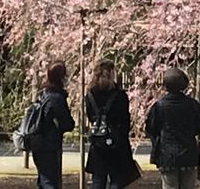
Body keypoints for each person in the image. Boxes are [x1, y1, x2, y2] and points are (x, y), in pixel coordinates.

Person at [145, 67, 200, 189]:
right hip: (188, 152)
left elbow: (151, 128)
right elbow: (199, 125)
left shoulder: (159, 106)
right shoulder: (192, 105)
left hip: (167, 154)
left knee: (169, 185)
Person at [85, 60, 135, 189]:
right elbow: (125, 120)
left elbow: (91, 116)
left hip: (98, 142)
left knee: (98, 179)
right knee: (117, 179)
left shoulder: (90, 95)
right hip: (117, 142)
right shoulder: (119, 95)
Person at [32, 60, 76, 189]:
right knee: (49, 182)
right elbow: (67, 123)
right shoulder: (56, 98)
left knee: (43, 180)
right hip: (49, 145)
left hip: (38, 142)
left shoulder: (43, 94)